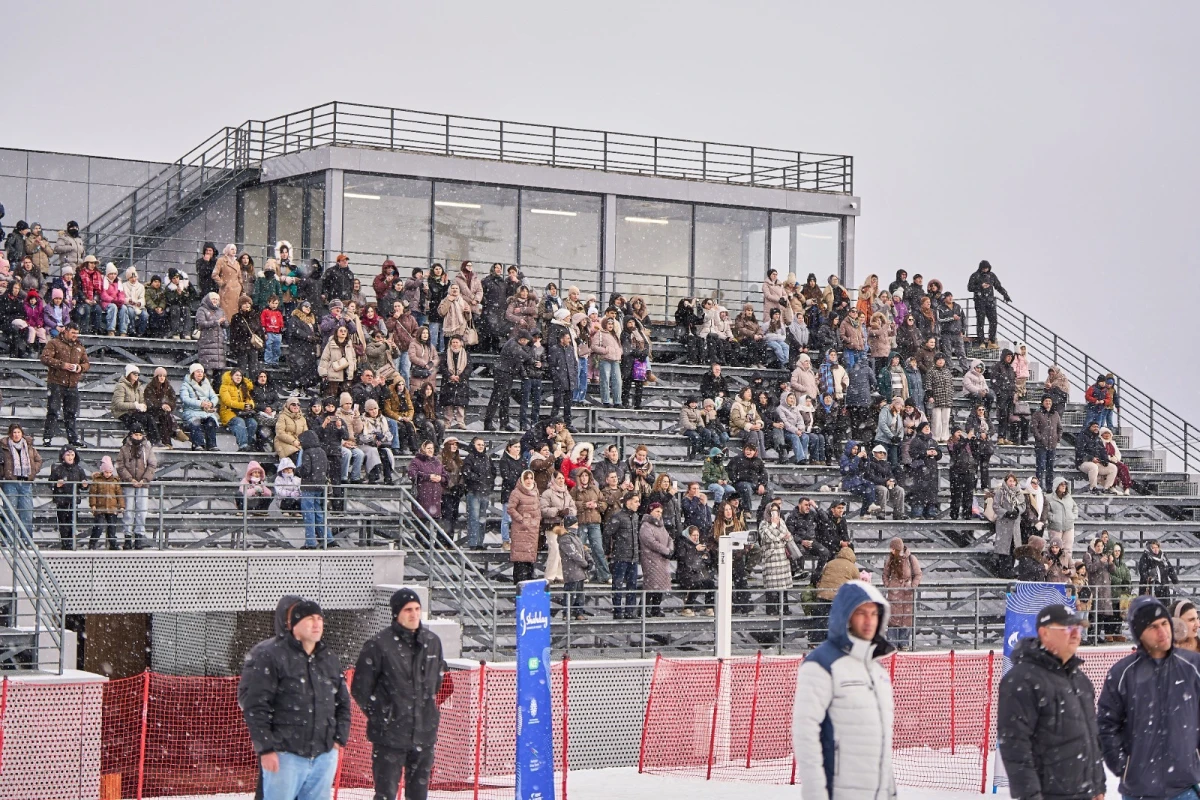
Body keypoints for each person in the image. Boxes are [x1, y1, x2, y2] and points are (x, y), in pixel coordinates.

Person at [239, 597, 350, 800]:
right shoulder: (269, 654)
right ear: (290, 623)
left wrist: (338, 739)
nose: (317, 623)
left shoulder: (328, 659)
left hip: (323, 755)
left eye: (319, 618)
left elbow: (343, 703)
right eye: (310, 618)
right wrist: (267, 747)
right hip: (285, 755)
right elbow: (254, 703)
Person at [793, 580, 896, 800]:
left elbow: (882, 744)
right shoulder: (821, 664)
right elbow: (806, 736)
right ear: (845, 615)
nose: (869, 621)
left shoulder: (878, 672)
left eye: (874, 614)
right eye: (861, 613)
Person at [997, 603, 1105, 800]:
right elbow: (1015, 745)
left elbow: (1091, 738)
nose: (1076, 634)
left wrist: (1098, 786)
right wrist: (1030, 796)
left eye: (1079, 628)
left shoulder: (1080, 680)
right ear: (1044, 633)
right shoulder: (1022, 680)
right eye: (1068, 628)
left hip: (1084, 793)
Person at [1098, 596, 1200, 800]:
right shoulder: (1121, 674)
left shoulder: (1193, 666)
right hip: (1139, 792)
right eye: (1153, 627)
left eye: (1164, 623)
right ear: (1138, 633)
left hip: (1185, 788)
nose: (1163, 632)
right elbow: (1106, 726)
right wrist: (1125, 767)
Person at [351, 587, 447, 800]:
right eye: (407, 610)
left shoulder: (432, 642)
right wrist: (383, 715)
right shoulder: (378, 645)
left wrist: (427, 711)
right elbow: (360, 688)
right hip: (389, 736)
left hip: (424, 733)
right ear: (396, 613)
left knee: (418, 794)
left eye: (417, 609)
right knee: (386, 794)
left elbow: (437, 680)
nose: (414, 614)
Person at [40, 323, 89, 448]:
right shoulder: (54, 343)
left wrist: (80, 367)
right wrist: (62, 365)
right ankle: (47, 438)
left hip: (72, 384)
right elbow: (45, 358)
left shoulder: (79, 346)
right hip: (56, 382)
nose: (75, 336)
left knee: (71, 413)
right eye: (73, 333)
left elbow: (86, 363)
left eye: (77, 333)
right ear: (66, 331)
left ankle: (73, 438)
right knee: (53, 411)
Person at [115, 424, 155, 549]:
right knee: (128, 512)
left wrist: (144, 479)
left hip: (143, 485)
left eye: (140, 435)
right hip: (128, 484)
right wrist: (130, 479)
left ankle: (139, 537)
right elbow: (120, 466)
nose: (138, 437)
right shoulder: (124, 449)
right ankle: (127, 537)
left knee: (141, 512)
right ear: (131, 435)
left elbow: (152, 464)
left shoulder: (147, 448)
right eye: (135, 434)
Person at [0, 424, 41, 532]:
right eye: (14, 432)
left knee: (27, 513)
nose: (16, 435)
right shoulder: (4, 447)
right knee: (10, 513)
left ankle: (26, 541)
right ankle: (9, 541)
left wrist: (33, 471)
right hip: (10, 483)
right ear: (10, 434)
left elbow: (38, 460)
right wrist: (4, 473)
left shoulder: (28, 446)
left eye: (18, 432)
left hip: (26, 483)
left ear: (22, 433)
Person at [882, 538, 922, 649]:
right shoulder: (890, 559)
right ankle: (892, 643)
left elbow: (918, 574)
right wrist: (888, 585)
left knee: (906, 618)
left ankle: (904, 643)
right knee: (893, 618)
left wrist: (913, 586)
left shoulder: (910, 558)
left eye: (893, 548)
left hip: (906, 593)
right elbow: (885, 574)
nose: (891, 551)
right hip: (894, 593)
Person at [507, 470, 542, 584]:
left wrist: (537, 520)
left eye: (531, 478)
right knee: (520, 558)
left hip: (533, 530)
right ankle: (519, 583)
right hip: (520, 529)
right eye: (526, 478)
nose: (529, 480)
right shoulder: (516, 492)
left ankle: (528, 581)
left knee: (529, 558)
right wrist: (522, 519)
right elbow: (510, 509)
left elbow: (538, 510)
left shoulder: (535, 492)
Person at [50, 445, 88, 550]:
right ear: (63, 456)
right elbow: (50, 483)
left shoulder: (79, 469)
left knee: (73, 522)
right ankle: (65, 543)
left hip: (73, 500)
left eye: (72, 455)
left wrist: (85, 485)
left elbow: (83, 484)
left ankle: (71, 542)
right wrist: (56, 485)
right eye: (68, 455)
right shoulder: (57, 469)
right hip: (61, 500)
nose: (70, 457)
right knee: (63, 523)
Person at [88, 456, 123, 550]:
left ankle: (112, 543)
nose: (108, 474)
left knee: (112, 527)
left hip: (112, 508)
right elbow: (93, 494)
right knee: (98, 527)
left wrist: (121, 506)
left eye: (110, 472)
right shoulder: (97, 480)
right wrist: (93, 505)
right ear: (102, 471)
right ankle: (93, 543)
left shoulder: (115, 481)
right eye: (106, 472)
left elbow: (119, 494)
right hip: (100, 507)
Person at [1075, 420, 1118, 494]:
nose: (1096, 428)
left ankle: (1107, 488)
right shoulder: (1082, 437)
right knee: (1093, 467)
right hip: (1083, 462)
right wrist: (1091, 458)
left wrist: (1105, 461)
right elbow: (1079, 452)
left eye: (1097, 427)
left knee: (1113, 468)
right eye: (1094, 426)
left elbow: (1103, 451)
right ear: (1089, 427)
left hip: (1097, 462)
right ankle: (1093, 488)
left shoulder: (1098, 438)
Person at [1030, 395, 1062, 489]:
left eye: (1049, 401)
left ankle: (1049, 488)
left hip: (1052, 445)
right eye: (1046, 401)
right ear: (1042, 402)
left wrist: (1057, 438)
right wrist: (1040, 438)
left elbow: (1060, 428)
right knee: (1040, 467)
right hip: (1041, 446)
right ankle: (1038, 487)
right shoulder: (1037, 414)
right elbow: (1033, 427)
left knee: (1050, 468)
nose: (1048, 403)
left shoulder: (1055, 414)